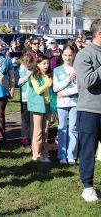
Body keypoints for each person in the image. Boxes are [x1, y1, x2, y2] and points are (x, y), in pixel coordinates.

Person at [73, 19, 101, 202]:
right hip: (90, 110)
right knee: (89, 150)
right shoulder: (84, 54)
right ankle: (88, 186)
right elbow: (87, 81)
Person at [28, 54, 56, 163]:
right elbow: (38, 90)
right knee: (38, 131)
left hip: (48, 105)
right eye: (44, 63)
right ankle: (37, 155)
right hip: (38, 106)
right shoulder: (34, 76)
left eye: (47, 63)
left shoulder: (49, 75)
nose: (46, 65)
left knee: (45, 130)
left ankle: (45, 153)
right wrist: (48, 84)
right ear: (38, 64)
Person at [53, 45, 78, 165]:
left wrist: (63, 93)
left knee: (73, 128)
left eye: (70, 55)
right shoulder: (57, 70)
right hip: (61, 104)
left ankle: (71, 154)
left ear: (73, 55)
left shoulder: (77, 69)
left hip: (75, 103)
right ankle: (61, 155)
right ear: (62, 56)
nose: (68, 57)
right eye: (65, 55)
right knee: (62, 128)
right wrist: (68, 79)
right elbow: (55, 88)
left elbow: (78, 88)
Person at [17, 54, 34, 147]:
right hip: (24, 97)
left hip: (33, 97)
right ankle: (24, 138)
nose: (28, 64)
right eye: (26, 62)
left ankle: (32, 138)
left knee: (32, 119)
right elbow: (17, 82)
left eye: (29, 62)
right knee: (25, 119)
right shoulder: (20, 70)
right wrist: (25, 78)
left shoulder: (34, 69)